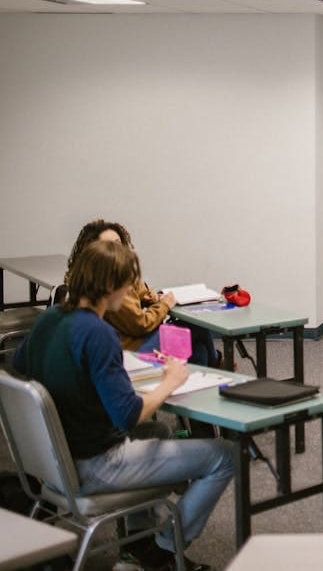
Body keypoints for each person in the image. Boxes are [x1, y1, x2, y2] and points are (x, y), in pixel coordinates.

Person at [14, 239, 234, 571]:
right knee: (224, 455)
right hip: (94, 465)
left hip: (50, 461)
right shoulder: (99, 333)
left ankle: (138, 546)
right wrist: (170, 382)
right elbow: (129, 415)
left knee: (158, 430)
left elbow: (21, 365)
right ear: (113, 286)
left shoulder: (49, 320)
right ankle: (164, 551)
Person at [67, 219, 218, 368]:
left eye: (118, 243)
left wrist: (148, 295)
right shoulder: (108, 284)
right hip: (131, 347)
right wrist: (163, 305)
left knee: (199, 350)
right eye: (110, 245)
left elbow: (136, 287)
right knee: (196, 328)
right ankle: (217, 365)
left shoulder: (106, 273)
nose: (116, 249)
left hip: (133, 340)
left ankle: (202, 378)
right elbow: (140, 325)